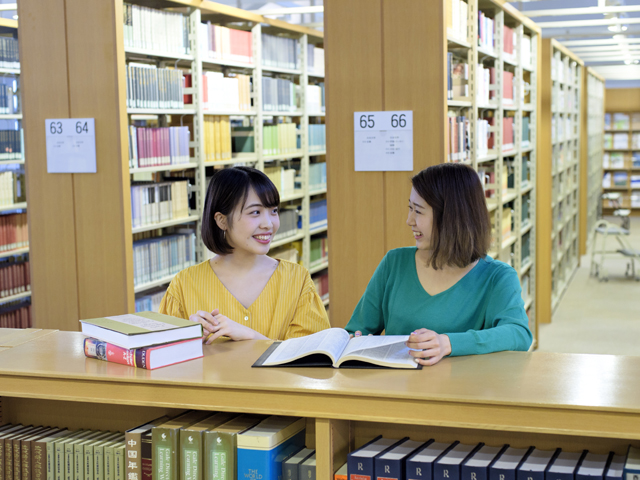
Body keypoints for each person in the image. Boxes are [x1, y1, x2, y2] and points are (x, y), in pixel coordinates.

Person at [345, 163, 532, 366]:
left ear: (451, 217)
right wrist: (354, 340)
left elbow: (519, 334)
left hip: (460, 393)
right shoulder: (394, 263)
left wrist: (447, 343)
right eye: (410, 208)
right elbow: (357, 329)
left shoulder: (497, 277)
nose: (409, 220)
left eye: (418, 211)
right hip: (396, 390)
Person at [159, 166, 330, 343]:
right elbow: (161, 360)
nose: (268, 224)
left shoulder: (297, 281)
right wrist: (187, 339)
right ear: (222, 220)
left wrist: (251, 336)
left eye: (274, 211)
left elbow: (312, 358)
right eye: (255, 212)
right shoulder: (184, 286)